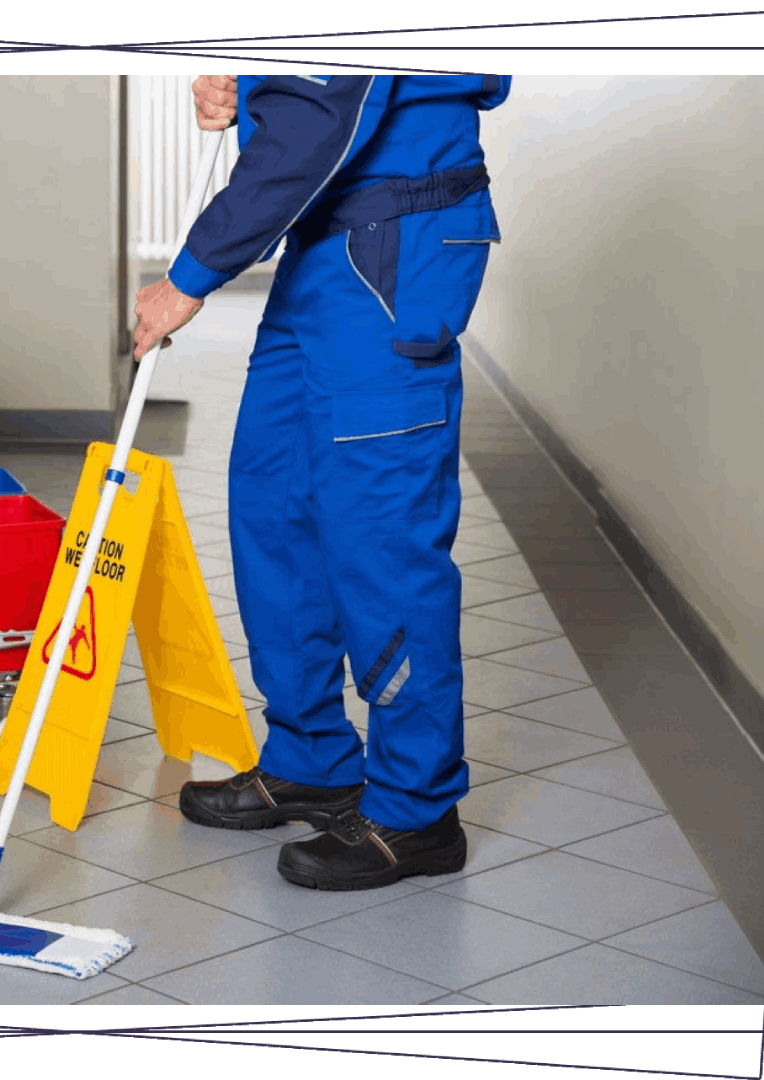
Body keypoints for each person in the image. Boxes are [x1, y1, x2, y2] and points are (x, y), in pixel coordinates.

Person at [132, 72, 511, 892]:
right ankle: (311, 759)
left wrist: (188, 276)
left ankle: (416, 810)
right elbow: (306, 100)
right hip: (323, 245)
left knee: (379, 536)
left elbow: (315, 127)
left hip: (395, 252)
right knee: (274, 507)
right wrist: (246, 81)